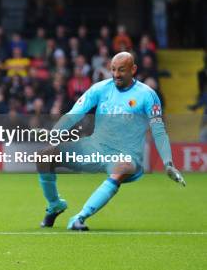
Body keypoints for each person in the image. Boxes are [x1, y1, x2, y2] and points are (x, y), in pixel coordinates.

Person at [37, 52, 185, 231]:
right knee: (44, 157)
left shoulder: (147, 95)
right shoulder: (100, 88)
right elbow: (74, 114)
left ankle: (79, 218)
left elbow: (159, 130)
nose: (116, 74)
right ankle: (55, 205)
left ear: (133, 70)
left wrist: (168, 163)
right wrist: (55, 135)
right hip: (94, 148)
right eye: (113, 69)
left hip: (125, 155)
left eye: (121, 70)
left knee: (122, 168)